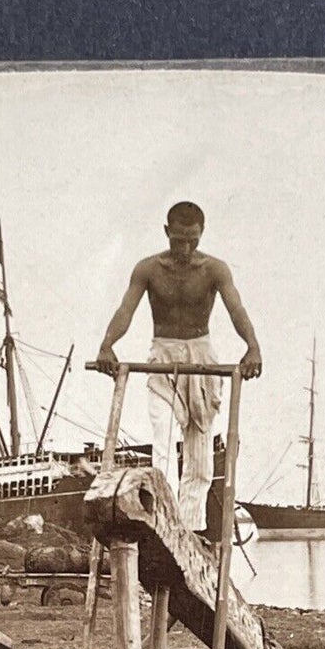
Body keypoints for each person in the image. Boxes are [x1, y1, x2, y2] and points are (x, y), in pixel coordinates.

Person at [95, 201, 262, 530]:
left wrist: (253, 346)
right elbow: (126, 309)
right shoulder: (148, 269)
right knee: (164, 435)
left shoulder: (215, 269)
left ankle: (191, 529)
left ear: (201, 234)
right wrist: (107, 345)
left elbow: (236, 309)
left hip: (201, 357)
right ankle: (164, 519)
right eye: (178, 240)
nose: (185, 249)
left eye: (193, 240)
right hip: (163, 356)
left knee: (200, 449)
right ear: (166, 232)